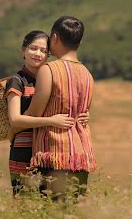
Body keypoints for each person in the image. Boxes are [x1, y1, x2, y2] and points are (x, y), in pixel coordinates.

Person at [4, 30, 89, 195]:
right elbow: (15, 120)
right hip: (24, 149)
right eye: (33, 48)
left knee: (46, 203)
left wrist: (83, 115)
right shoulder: (16, 81)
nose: (38, 54)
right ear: (23, 50)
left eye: (43, 51)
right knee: (24, 202)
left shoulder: (48, 78)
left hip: (45, 150)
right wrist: (51, 121)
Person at [26, 16, 96, 200]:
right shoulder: (87, 74)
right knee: (71, 217)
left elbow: (35, 113)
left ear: (54, 38)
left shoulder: (49, 70)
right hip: (81, 155)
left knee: (51, 217)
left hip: (55, 154)